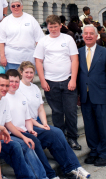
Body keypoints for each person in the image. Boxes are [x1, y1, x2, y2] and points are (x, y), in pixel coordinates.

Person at [18, 61, 92, 179]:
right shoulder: (17, 88)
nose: (29, 75)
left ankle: (74, 168)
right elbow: (25, 116)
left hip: (37, 122)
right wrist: (41, 126)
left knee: (56, 132)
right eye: (26, 72)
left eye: (31, 72)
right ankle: (70, 169)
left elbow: (41, 109)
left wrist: (45, 124)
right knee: (55, 133)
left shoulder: (35, 87)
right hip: (27, 125)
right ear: (21, 73)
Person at [5, 68, 72, 179]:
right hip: (11, 132)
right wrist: (21, 131)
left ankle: (63, 172)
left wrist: (30, 130)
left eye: (16, 81)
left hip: (24, 130)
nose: (14, 84)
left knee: (51, 134)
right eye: (11, 81)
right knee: (33, 141)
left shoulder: (21, 96)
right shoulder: (4, 97)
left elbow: (27, 118)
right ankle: (49, 177)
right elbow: (4, 121)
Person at [34, 14, 80, 151]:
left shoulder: (68, 39)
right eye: (50, 26)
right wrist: (42, 80)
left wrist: (73, 79)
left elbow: (75, 60)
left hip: (67, 80)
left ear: (60, 26)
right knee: (57, 112)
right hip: (50, 81)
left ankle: (73, 137)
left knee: (71, 111)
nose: (53, 29)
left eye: (55, 26)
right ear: (47, 27)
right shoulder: (43, 41)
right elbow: (38, 61)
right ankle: (61, 138)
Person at [78, 24, 106, 166]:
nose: (88, 36)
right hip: (85, 96)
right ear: (82, 36)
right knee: (89, 126)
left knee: (104, 126)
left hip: (102, 95)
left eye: (91, 33)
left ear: (96, 36)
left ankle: (105, 153)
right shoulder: (78, 52)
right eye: (85, 33)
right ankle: (94, 150)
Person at [0, 0, 43, 71]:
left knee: (28, 81)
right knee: (12, 81)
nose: (16, 7)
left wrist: (40, 55)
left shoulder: (31, 19)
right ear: (10, 8)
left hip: (29, 58)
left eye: (18, 5)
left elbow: (39, 40)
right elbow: (1, 41)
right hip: (11, 59)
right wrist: (2, 56)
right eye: (13, 6)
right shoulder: (5, 21)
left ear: (22, 6)